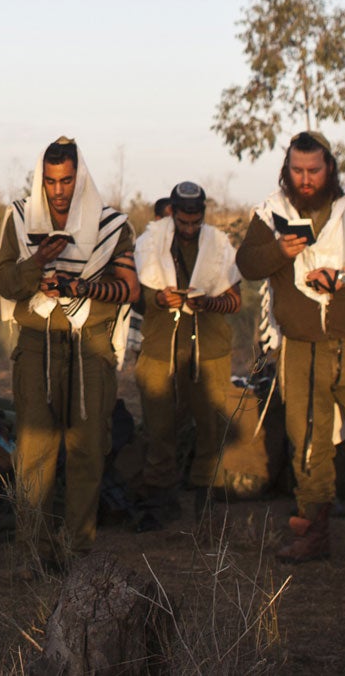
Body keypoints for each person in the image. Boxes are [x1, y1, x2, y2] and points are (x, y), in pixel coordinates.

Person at [235, 131, 345, 563]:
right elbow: (248, 263)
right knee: (307, 441)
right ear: (286, 169)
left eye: (313, 170)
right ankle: (312, 531)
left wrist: (343, 277)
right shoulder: (272, 212)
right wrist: (279, 250)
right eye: (297, 170)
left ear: (330, 168)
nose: (305, 179)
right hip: (303, 345)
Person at [0, 137, 137, 572]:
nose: (58, 190)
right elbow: (3, 281)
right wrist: (38, 262)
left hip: (90, 342)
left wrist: (81, 286)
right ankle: (31, 551)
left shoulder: (111, 224)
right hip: (37, 341)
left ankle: (77, 551)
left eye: (67, 180)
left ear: (79, 177)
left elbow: (129, 288)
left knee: (88, 447)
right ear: (42, 179)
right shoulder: (19, 218)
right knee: (35, 448)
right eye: (51, 181)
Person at [132, 181, 246, 524]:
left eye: (196, 222)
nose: (190, 229)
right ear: (172, 213)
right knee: (159, 427)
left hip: (208, 348)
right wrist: (159, 299)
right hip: (159, 345)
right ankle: (160, 502)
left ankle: (204, 501)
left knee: (209, 428)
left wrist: (207, 302)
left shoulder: (218, 245)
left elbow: (234, 300)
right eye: (183, 222)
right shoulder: (149, 243)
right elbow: (135, 294)